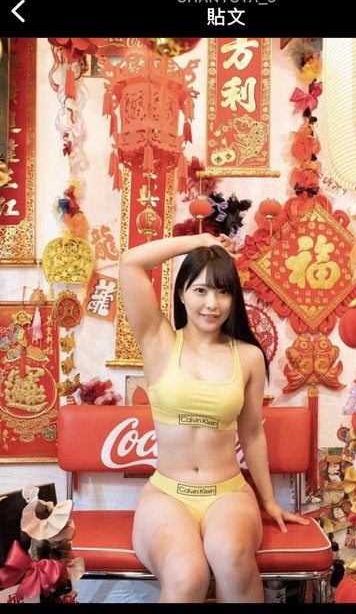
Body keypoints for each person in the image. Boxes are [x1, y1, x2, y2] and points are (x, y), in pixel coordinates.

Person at [119, 233, 309, 603]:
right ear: (181, 293)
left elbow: (252, 433)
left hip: (228, 493)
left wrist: (269, 501)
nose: (212, 304)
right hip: (167, 494)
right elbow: (131, 262)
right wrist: (198, 241)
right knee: (187, 575)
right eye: (201, 290)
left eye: (223, 292)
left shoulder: (248, 356)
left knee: (231, 556)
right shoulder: (158, 341)